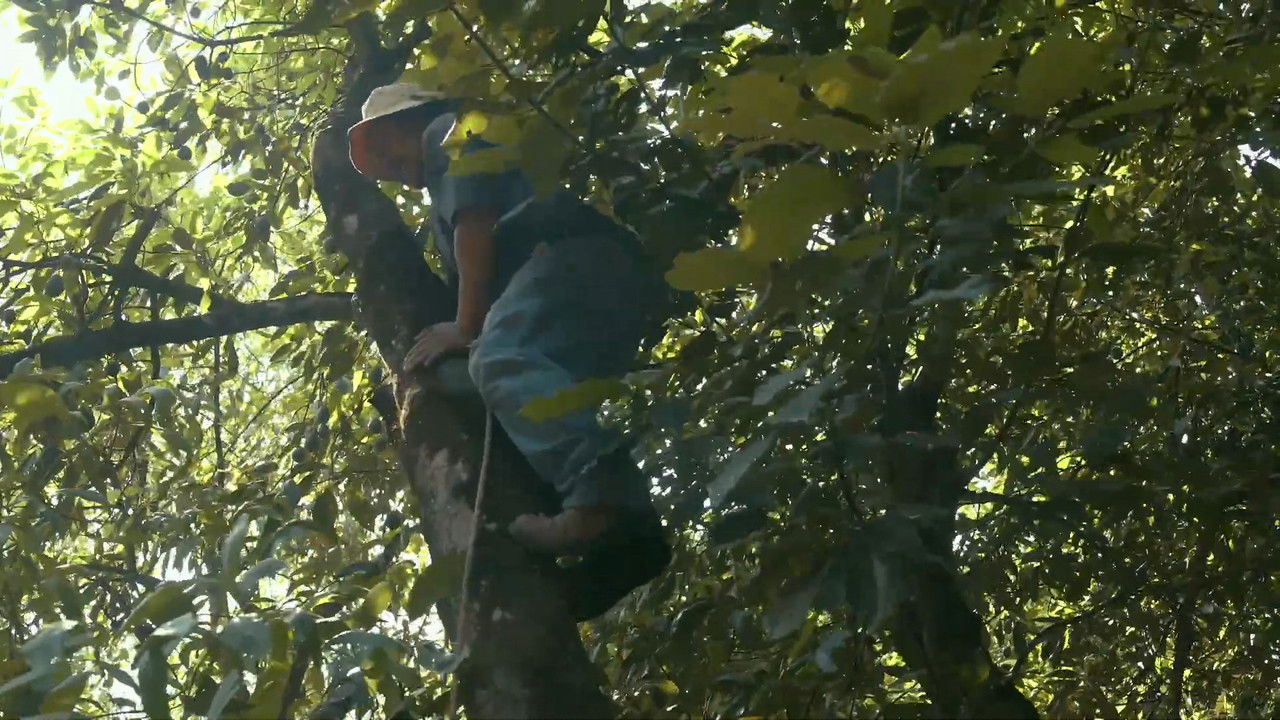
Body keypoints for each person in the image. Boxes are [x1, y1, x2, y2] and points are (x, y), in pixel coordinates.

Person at [347, 83, 670, 619]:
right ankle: (625, 545)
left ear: (409, 121)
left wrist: (465, 325)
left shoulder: (448, 133)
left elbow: (475, 226)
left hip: (568, 258)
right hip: (600, 292)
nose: (392, 168)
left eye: (387, 149)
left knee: (496, 360)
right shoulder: (443, 178)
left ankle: (599, 501)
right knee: (493, 387)